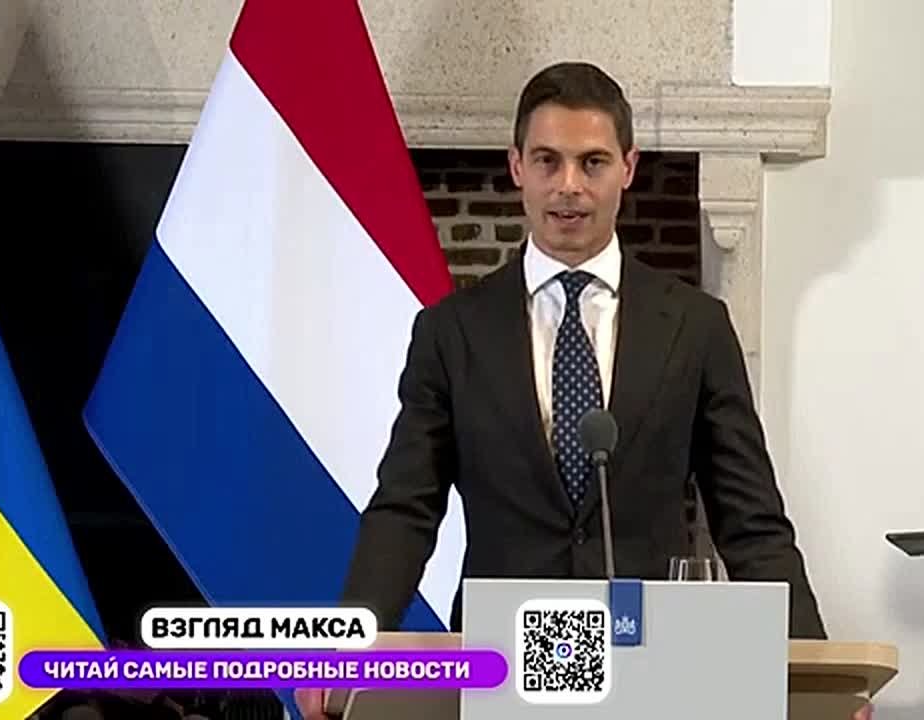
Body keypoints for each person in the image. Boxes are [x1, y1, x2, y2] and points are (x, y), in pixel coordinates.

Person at [297, 61, 865, 719]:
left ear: (628, 167)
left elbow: (750, 520)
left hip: (650, 663)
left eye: (592, 162)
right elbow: (406, 508)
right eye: (548, 160)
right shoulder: (451, 332)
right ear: (517, 167)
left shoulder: (696, 326)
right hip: (499, 669)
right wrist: (349, 648)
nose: (568, 185)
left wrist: (818, 682)